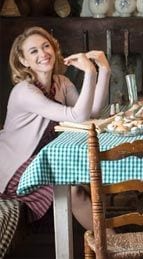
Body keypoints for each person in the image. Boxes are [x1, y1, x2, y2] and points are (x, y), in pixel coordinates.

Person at [0, 27, 110, 231]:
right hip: (15, 170)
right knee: (74, 187)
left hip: (43, 160)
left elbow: (91, 113)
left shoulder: (61, 82)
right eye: (33, 51)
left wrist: (103, 69)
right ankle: (113, 246)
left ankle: (110, 245)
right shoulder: (24, 91)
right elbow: (78, 117)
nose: (43, 54)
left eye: (45, 46)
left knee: (84, 181)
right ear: (24, 61)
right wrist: (89, 71)